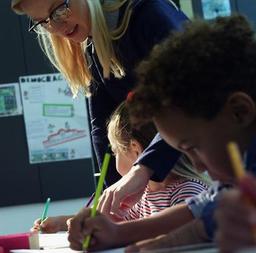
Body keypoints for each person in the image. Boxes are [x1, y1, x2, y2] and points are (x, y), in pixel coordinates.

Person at [67, 15, 256, 252]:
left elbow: (208, 219)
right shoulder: (242, 172)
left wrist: (160, 243)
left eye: (192, 147)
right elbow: (207, 208)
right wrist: (117, 233)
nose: (197, 166)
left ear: (239, 112)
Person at [11, 0, 187, 219]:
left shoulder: (149, 16)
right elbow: (102, 130)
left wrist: (143, 169)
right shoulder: (96, 48)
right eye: (43, 23)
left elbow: (187, 97)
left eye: (59, 10)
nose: (55, 28)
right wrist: (109, 206)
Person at [31, 102, 210, 232]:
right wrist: (63, 223)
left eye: (116, 151)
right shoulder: (143, 196)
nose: (114, 157)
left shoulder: (188, 191)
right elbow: (116, 224)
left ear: (135, 149)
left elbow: (184, 236)